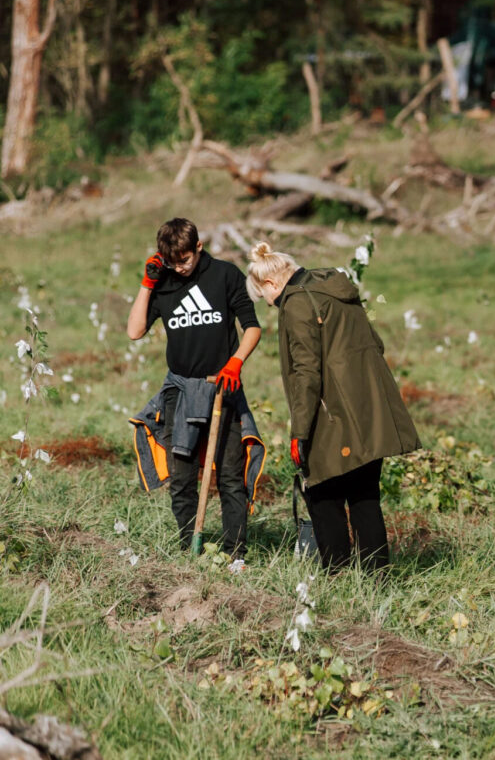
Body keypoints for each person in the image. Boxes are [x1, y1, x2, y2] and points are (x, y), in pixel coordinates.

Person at [245, 242, 421, 571]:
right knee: (365, 496)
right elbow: (376, 343)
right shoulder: (336, 288)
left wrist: (300, 433)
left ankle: (336, 576)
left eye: (264, 298)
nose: (269, 305)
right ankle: (377, 580)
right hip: (371, 409)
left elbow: (306, 374)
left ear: (270, 284)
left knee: (322, 495)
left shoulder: (296, 304)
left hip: (331, 416)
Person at [126, 218, 261, 558]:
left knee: (231, 476)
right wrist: (147, 283)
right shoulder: (165, 282)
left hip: (222, 386)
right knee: (182, 478)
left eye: (184, 260)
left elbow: (252, 327)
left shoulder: (226, 275)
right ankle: (190, 549)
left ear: (199, 247)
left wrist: (236, 362)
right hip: (180, 393)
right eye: (171, 261)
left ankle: (235, 555)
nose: (179, 268)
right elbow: (134, 331)